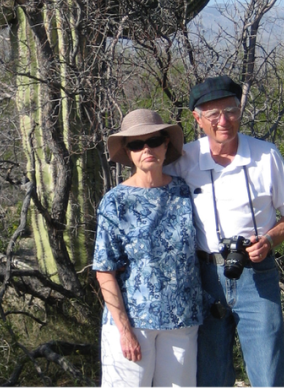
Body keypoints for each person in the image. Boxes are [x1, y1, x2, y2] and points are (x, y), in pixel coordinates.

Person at [164, 76, 284, 388]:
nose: (223, 121)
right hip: (204, 277)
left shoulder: (266, 155)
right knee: (210, 375)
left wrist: (269, 240)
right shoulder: (183, 160)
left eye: (230, 111)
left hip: (256, 274)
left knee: (268, 373)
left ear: (240, 111)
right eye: (213, 114)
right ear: (197, 119)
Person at [93, 109, 203, 388]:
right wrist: (124, 331)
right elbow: (104, 271)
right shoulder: (115, 201)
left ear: (166, 144)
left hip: (182, 322)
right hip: (134, 323)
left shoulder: (184, 192)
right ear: (128, 152)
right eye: (136, 144)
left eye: (153, 141)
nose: (147, 149)